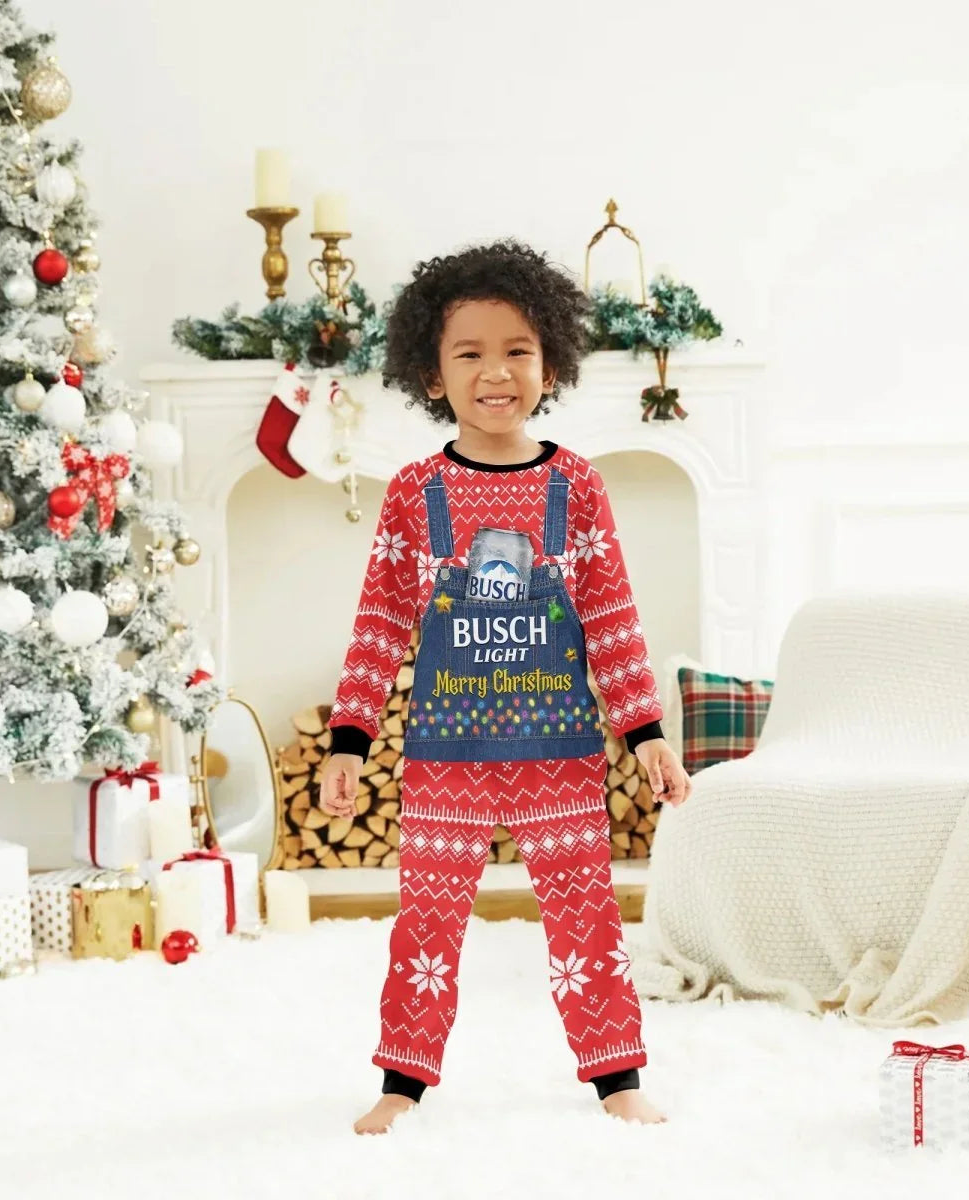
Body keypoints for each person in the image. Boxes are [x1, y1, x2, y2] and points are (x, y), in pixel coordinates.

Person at [319, 240, 692, 1135]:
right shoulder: (415, 493)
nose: (496, 372)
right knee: (427, 925)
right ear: (430, 373)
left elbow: (611, 619)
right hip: (445, 759)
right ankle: (402, 1082)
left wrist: (647, 735)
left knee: (585, 921)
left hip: (559, 754)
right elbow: (378, 625)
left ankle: (618, 1078)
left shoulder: (578, 486)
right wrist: (347, 742)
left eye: (518, 350)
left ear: (551, 361)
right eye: (470, 353)